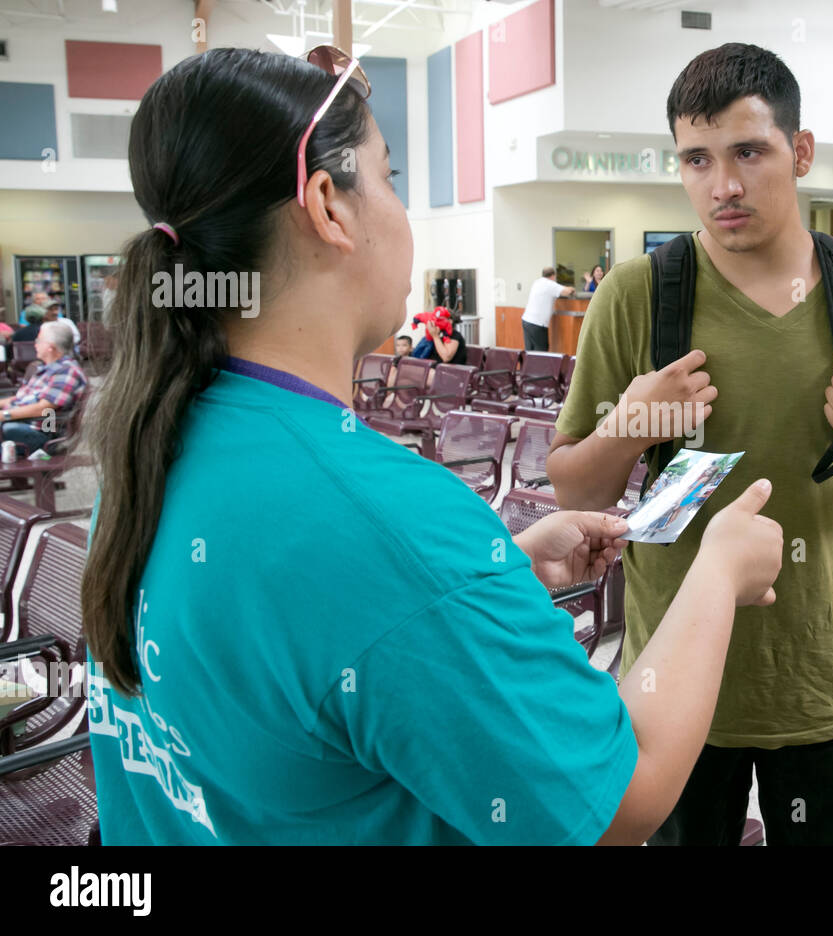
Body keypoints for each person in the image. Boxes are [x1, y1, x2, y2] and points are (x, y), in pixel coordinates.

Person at [81, 46, 783, 846]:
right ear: (329, 207)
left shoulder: (147, 445)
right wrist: (720, 568)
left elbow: (301, 642)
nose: (400, 209)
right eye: (389, 178)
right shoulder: (383, 518)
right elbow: (622, 802)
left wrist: (496, 570)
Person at [547, 42, 833, 846]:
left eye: (748, 152)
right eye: (697, 158)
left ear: (800, 152)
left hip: (821, 678)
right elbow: (573, 491)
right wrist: (629, 426)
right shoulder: (636, 294)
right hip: (675, 681)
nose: (721, 185)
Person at [0, 320, 86, 453]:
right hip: (22, 424)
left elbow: (44, 409)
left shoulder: (66, 371)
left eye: (39, 341)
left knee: (7, 428)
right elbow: (20, 398)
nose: (35, 344)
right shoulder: (47, 368)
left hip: (42, 433)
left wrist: (4, 415)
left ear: (50, 347)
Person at [521, 267, 574, 351]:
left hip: (526, 320)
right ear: (553, 276)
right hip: (537, 324)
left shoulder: (537, 282)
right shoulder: (550, 284)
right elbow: (568, 292)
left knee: (529, 351)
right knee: (541, 352)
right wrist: (572, 288)